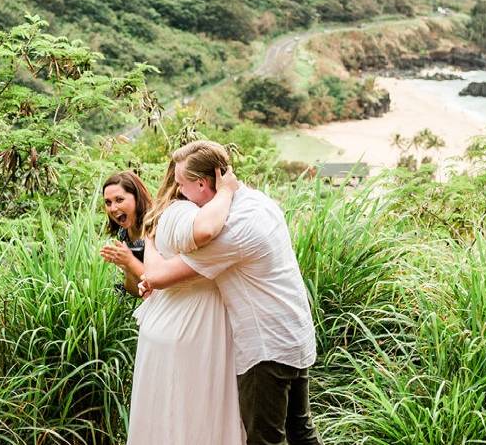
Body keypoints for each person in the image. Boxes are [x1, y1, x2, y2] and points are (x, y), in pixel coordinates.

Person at [141, 140, 323, 445]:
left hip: (267, 348)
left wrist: (150, 235)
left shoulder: (233, 231)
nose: (180, 194)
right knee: (300, 431)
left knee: (265, 438)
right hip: (295, 334)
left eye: (182, 185)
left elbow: (159, 276)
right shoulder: (257, 201)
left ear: (201, 183)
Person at [126, 160, 245, 445]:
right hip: (193, 324)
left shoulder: (161, 218)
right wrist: (227, 193)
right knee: (193, 413)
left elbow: (154, 274)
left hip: (167, 321)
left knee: (166, 413)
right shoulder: (186, 212)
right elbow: (203, 232)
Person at [100, 171, 152, 297]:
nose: (112, 208)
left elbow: (163, 282)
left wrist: (130, 261)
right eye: (108, 202)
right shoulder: (123, 233)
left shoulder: (156, 225)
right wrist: (126, 267)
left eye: (119, 200)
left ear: (137, 197)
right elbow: (135, 291)